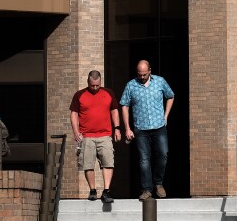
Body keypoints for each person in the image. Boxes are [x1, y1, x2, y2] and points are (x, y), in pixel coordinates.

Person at [120, 60, 174, 201]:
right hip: (141, 129)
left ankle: (158, 183)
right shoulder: (131, 85)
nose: (142, 77)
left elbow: (170, 96)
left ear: (149, 70)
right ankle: (147, 189)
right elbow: (124, 105)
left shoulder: (160, 81)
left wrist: (166, 116)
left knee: (163, 154)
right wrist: (127, 128)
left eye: (144, 74)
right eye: (139, 74)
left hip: (159, 126)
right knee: (144, 159)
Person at [70, 70, 122, 203]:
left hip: (105, 134)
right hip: (86, 136)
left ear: (100, 82)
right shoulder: (79, 95)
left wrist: (117, 128)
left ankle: (106, 190)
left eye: (97, 85)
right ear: (88, 82)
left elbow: (114, 110)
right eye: (92, 85)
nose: (94, 88)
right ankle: (92, 190)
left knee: (108, 162)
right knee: (88, 164)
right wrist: (76, 132)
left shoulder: (108, 93)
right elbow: (74, 114)